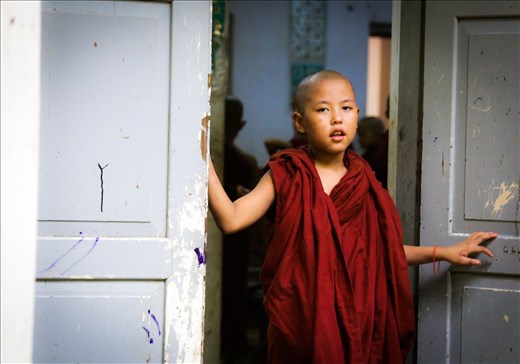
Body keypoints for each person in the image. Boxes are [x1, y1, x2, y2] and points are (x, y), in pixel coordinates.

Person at [208, 70, 497, 363]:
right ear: (300, 122)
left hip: (358, 318)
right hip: (303, 320)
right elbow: (231, 219)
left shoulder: (364, 180)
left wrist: (444, 252)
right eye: (323, 109)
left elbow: (379, 251)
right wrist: (201, 160)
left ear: (357, 115)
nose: (337, 118)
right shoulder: (287, 173)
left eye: (346, 108)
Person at [357, 116, 388, 188]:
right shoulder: (368, 155)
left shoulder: (383, 153)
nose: (360, 139)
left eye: (362, 133)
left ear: (375, 132)